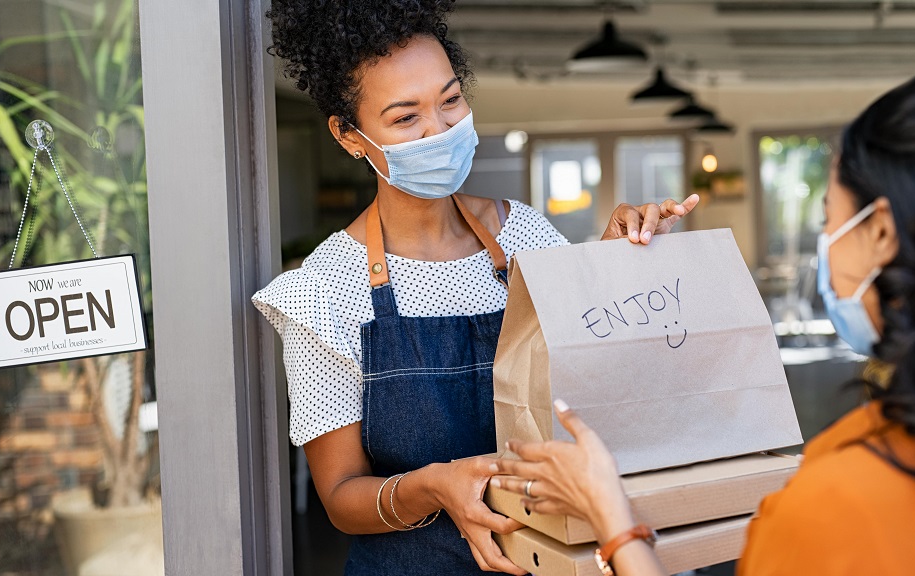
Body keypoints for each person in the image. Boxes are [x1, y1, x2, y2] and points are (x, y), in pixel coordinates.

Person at [253, 2, 698, 575]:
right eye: (405, 118)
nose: (439, 131)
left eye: (451, 100)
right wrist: (433, 487)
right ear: (349, 135)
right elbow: (340, 496)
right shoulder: (322, 291)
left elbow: (589, 372)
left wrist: (614, 265)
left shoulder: (526, 237)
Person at [492, 60, 915, 576]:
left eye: (828, 218)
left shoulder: (840, 506)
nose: (826, 240)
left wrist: (612, 520)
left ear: (880, 232)